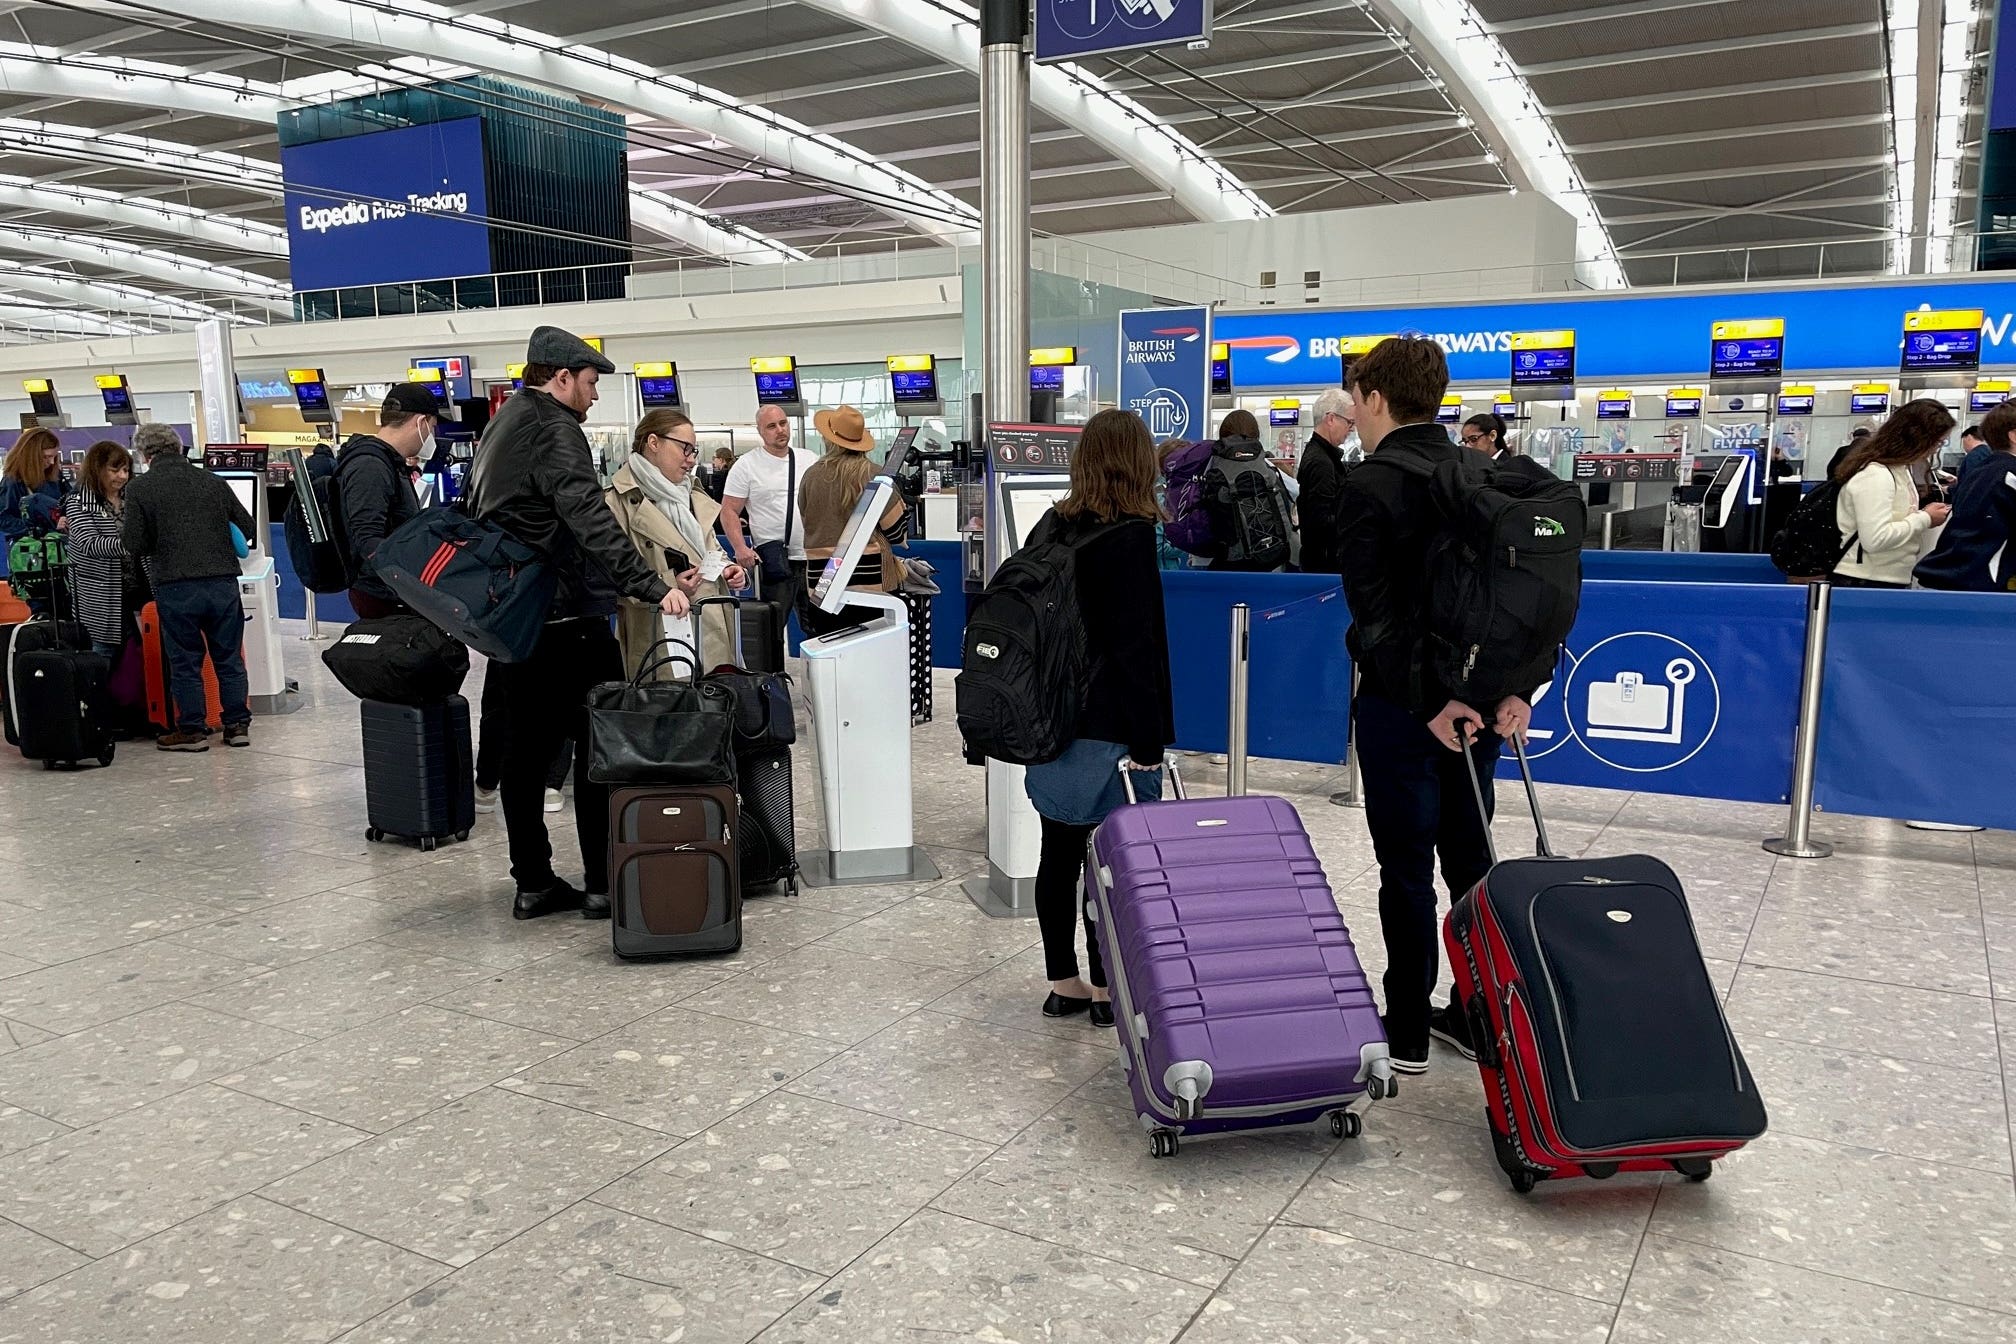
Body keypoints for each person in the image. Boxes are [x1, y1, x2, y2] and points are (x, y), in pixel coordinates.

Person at [1335, 336, 1533, 1075]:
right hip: (1479, 708)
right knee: (1471, 861)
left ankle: (1410, 1027)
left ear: (1377, 397)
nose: (1353, 411)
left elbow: (1375, 613)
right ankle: (1479, 1015)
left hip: (1404, 709)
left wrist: (1423, 703)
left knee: (1406, 867)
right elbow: (1527, 597)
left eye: (1356, 397)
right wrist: (1518, 688)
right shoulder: (1480, 471)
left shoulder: (1373, 484)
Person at [464, 325, 688, 921]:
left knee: (523, 755)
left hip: (516, 617)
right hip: (566, 618)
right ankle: (601, 883)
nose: (593, 397)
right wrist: (650, 585)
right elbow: (587, 515)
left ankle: (533, 881)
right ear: (559, 377)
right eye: (589, 384)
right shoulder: (553, 428)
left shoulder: (503, 424)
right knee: (601, 749)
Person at [1021, 408, 1174, 1028]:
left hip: (1050, 721)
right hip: (1111, 724)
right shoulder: (1129, 535)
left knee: (1058, 853)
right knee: (1117, 863)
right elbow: (1137, 648)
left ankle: (1064, 982)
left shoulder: (1052, 526)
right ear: (1138, 464)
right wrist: (1149, 740)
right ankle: (1111, 989)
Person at [121, 422, 255, 751]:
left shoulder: (140, 489)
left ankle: (192, 730)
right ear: (179, 448)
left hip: (175, 586)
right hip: (222, 582)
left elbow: (134, 544)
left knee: (185, 660)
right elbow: (247, 526)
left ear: (144, 454)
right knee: (229, 658)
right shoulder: (212, 481)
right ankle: (237, 726)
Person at [605, 408, 746, 676]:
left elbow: (710, 549)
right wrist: (665, 587)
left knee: (717, 704)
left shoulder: (691, 494)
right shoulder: (617, 502)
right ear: (654, 443)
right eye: (685, 449)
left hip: (711, 622)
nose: (691, 460)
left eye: (694, 451)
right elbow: (612, 577)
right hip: (660, 635)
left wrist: (728, 567)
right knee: (672, 711)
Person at [796, 405, 907, 637]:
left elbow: (807, 520)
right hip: (871, 586)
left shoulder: (811, 476)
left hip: (822, 583)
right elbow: (897, 534)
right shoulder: (876, 476)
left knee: (831, 654)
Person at [335, 383, 438, 620]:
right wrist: (406, 582)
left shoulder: (388, 462)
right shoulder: (370, 466)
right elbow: (368, 538)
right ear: (421, 423)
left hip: (392, 591)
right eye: (432, 427)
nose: (432, 436)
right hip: (384, 596)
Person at [1831, 398, 1954, 589]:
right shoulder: (1876, 476)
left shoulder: (1900, 471)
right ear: (1918, 438)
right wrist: (1925, 518)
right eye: (1938, 442)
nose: (1935, 449)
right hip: (1865, 582)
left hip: (1885, 578)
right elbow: (1875, 539)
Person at [720, 404, 819, 618]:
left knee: (818, 625)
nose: (780, 430)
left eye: (783, 423)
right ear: (760, 431)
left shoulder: (809, 459)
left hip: (812, 557)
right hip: (773, 560)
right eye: (772, 426)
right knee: (771, 626)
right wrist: (740, 548)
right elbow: (729, 510)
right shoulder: (746, 465)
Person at [1916, 399, 2016, 592]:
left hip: (1952, 577)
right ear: (2013, 435)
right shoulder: (2011, 474)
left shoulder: (1982, 471)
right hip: (1987, 585)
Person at [62, 440, 135, 659]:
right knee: (102, 658)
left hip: (136, 593)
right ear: (98, 468)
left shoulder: (132, 498)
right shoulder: (78, 502)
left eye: (125, 470)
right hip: (100, 596)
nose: (122, 476)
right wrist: (134, 544)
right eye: (115, 470)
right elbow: (90, 543)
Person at [1204, 409, 1299, 572]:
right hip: (1270, 559)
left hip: (1228, 565)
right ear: (1256, 435)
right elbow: (1294, 494)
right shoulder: (1268, 468)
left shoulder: (1213, 469)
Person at [2, 429, 68, 609]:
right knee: (44, 607)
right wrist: (37, 528)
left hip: (58, 555)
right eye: (46, 457)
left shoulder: (56, 478)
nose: (51, 462)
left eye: (54, 457)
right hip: (34, 560)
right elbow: (4, 518)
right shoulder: (13, 481)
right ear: (32, 454)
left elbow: (69, 501)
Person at [1297, 388, 1355, 576]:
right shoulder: (1321, 462)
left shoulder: (1319, 455)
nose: (1351, 429)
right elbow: (1320, 521)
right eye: (1349, 422)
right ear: (1331, 419)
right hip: (1324, 566)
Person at [1957, 420, 2000, 485]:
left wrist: (1950, 489)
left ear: (1969, 437)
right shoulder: (1991, 452)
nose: (1963, 446)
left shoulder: (1973, 455)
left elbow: (1971, 483)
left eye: (1963, 441)